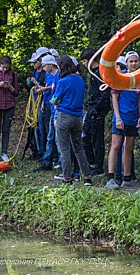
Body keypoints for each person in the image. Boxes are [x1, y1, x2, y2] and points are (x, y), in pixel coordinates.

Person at [51, 55, 93, 186]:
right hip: (78, 117)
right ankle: (86, 177)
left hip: (64, 116)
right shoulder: (80, 80)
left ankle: (67, 178)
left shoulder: (63, 81)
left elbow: (55, 99)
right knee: (78, 148)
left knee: (64, 149)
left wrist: (55, 103)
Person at [106, 51, 140, 189]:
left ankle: (127, 178)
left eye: (135, 61)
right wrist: (117, 117)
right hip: (121, 116)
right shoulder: (121, 77)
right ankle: (111, 177)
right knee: (115, 146)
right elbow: (114, 97)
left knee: (128, 147)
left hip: (133, 117)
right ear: (126, 63)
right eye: (131, 61)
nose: (134, 64)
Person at [80, 48, 111, 176]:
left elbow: (105, 93)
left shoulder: (100, 73)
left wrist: (96, 109)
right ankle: (92, 162)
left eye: (85, 61)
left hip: (97, 110)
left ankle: (98, 166)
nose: (83, 64)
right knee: (86, 136)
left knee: (97, 138)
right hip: (92, 108)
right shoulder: (92, 73)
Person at [33, 55, 60, 172]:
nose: (43, 68)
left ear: (50, 65)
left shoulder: (58, 76)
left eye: (44, 66)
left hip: (57, 111)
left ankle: (59, 162)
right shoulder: (53, 76)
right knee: (50, 137)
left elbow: (58, 93)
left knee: (57, 138)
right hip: (53, 109)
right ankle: (47, 161)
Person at [26, 47, 50, 160]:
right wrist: (29, 83)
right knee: (34, 126)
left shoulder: (46, 73)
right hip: (34, 102)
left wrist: (36, 83)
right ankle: (36, 150)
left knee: (42, 127)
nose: (34, 64)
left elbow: (45, 87)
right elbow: (31, 88)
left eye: (36, 61)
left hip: (42, 103)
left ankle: (43, 151)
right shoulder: (34, 72)